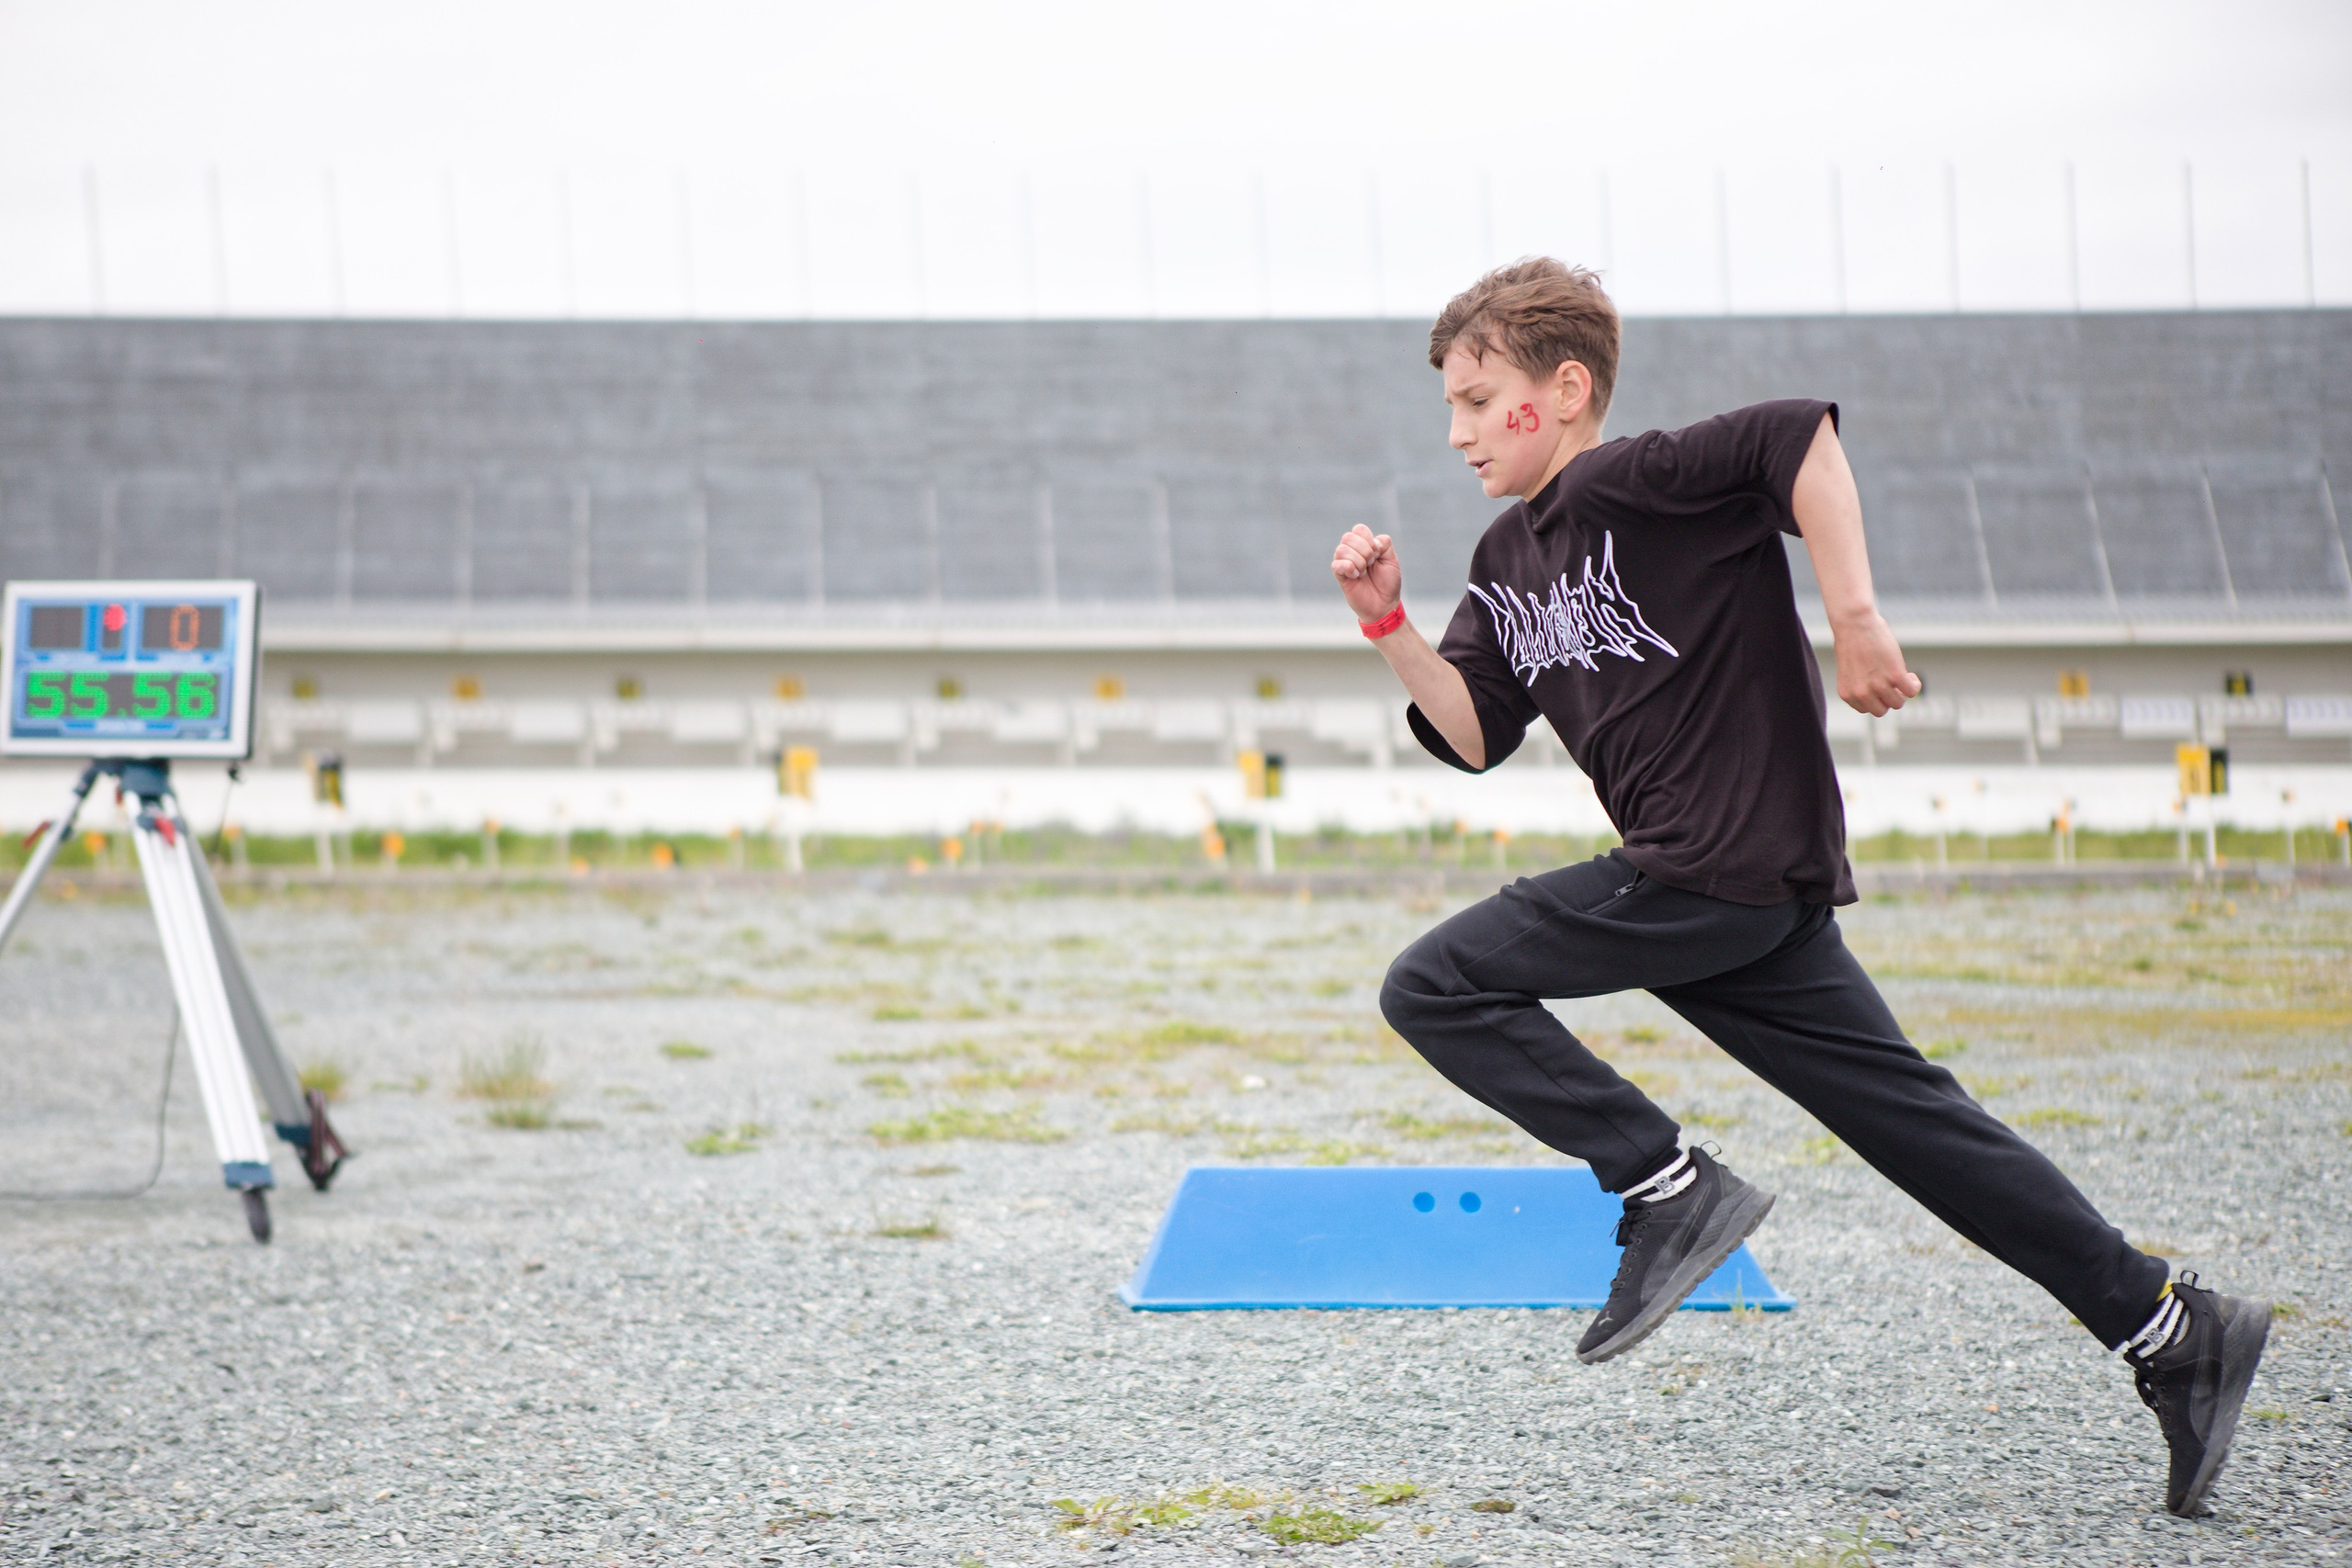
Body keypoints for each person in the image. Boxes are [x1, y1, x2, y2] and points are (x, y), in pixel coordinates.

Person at [1329, 258, 2270, 1519]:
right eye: (1446, 404)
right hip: (1732, 898)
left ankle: (1667, 1186)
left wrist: (1858, 618)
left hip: (1710, 862)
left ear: (1560, 391)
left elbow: (1800, 442)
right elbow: (1475, 730)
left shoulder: (1639, 481)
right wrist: (1388, 627)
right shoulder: (1508, 556)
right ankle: (2170, 1330)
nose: (1455, 432)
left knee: (1433, 983)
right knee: (1920, 1130)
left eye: (1476, 398)